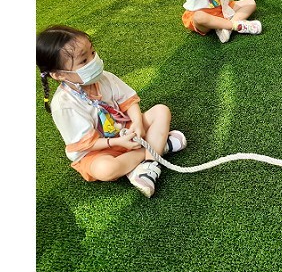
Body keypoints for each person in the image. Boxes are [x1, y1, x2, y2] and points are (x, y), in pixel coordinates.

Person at [36, 25, 188, 198]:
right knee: (106, 170)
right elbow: (86, 144)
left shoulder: (104, 77)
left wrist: (137, 122)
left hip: (126, 131)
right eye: (84, 61)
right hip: (98, 151)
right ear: (59, 75)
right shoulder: (64, 104)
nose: (94, 60)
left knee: (161, 111)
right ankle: (157, 149)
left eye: (92, 52)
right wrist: (117, 142)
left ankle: (147, 164)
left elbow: (128, 101)